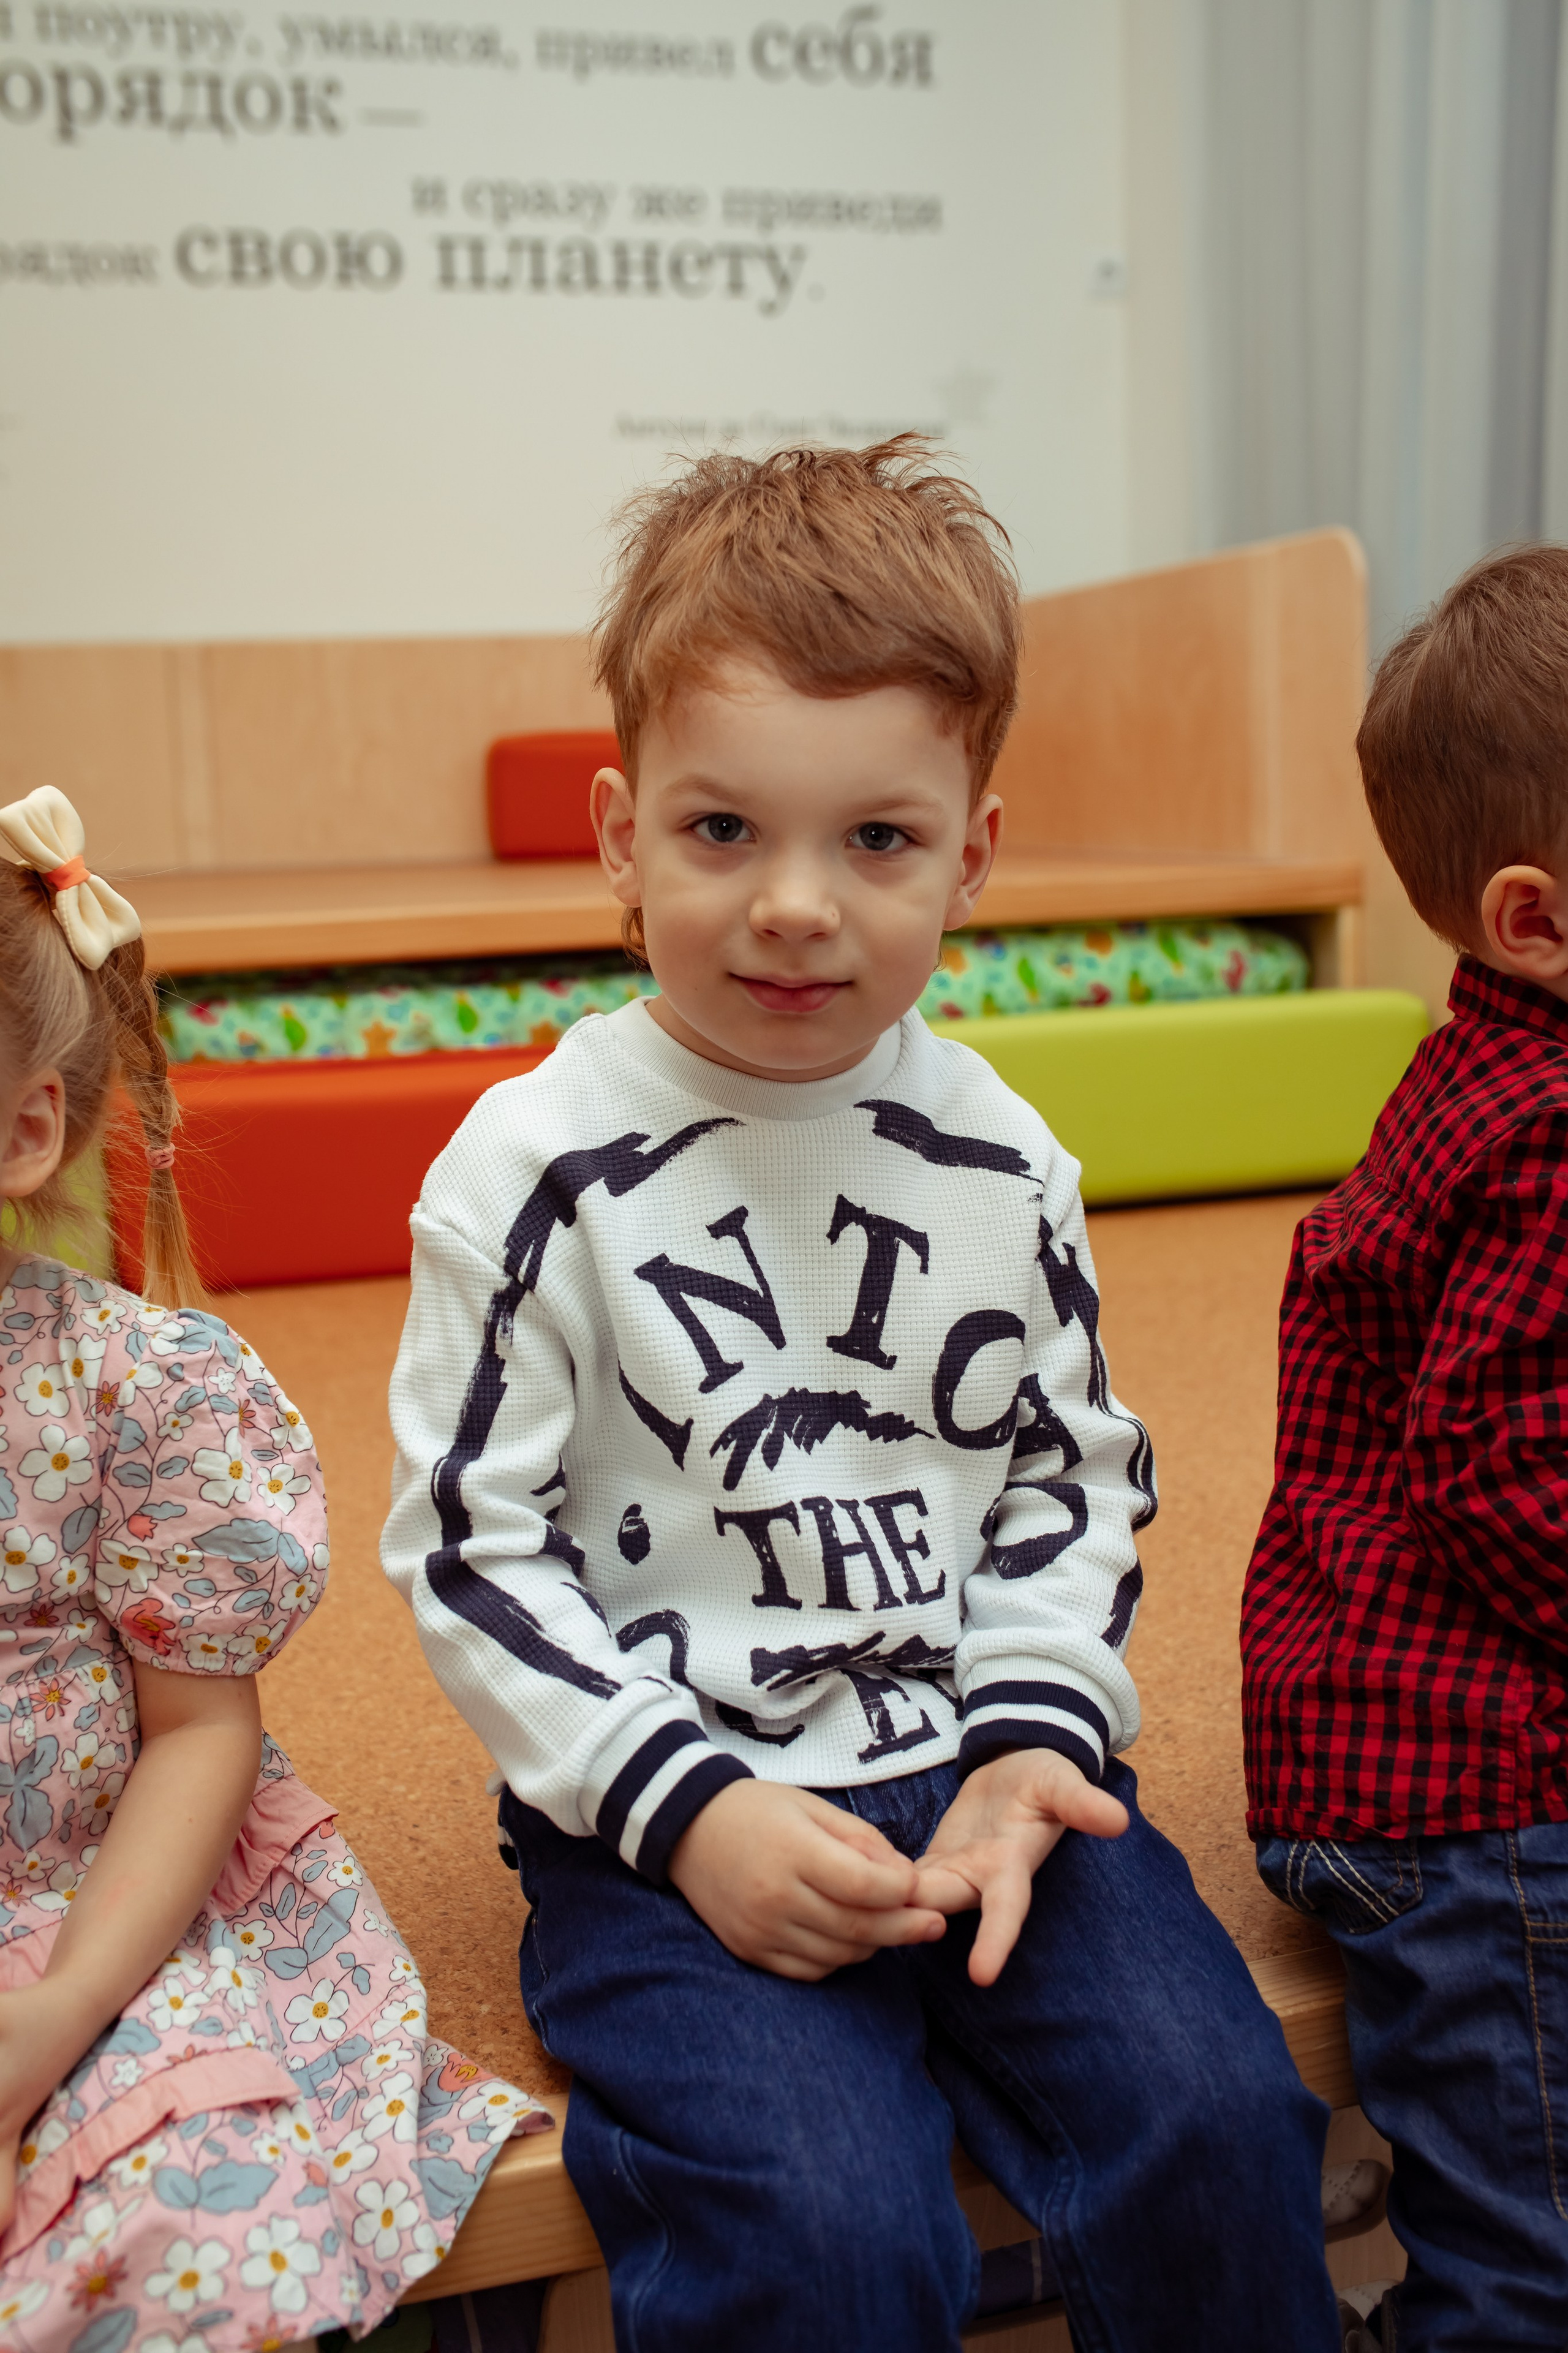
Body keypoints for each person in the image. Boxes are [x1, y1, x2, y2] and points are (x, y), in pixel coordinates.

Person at [383, 437, 1340, 2352]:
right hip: (671, 1803)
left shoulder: (1004, 1160)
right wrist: (689, 1811)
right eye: (722, 831)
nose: (797, 908)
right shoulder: (531, 1167)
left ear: (975, 855)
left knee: (1226, 2117)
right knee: (827, 2230)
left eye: (877, 841)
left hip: (981, 1760)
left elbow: (1068, 1490)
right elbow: (474, 1554)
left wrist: (1028, 1751)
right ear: (617, 838)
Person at [0, 789, 543, 2351]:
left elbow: (196, 1732)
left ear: (28, 1125)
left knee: (195, 2236)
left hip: (110, 1908)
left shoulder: (134, 1392)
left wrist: (55, 2013)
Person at [1243, 543, 1568, 2353]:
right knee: (1542, 2265)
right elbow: (1515, 1482)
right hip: (1464, 1802)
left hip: (1404, 1746)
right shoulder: (1548, 1139)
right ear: (1532, 919)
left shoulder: (1503, 1058)